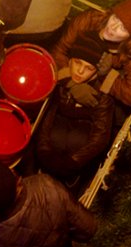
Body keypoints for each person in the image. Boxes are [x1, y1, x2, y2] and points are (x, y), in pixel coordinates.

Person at [35, 34, 115, 182]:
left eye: (89, 68)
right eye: (77, 63)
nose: (80, 71)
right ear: (70, 60)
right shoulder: (60, 80)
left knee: (76, 140)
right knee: (56, 137)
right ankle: (44, 170)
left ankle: (71, 178)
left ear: (96, 71)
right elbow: (46, 117)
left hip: (82, 134)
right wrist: (44, 151)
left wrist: (73, 162)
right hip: (59, 125)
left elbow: (101, 135)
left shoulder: (103, 92)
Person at [51, 0, 131, 108]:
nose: (112, 27)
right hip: (74, 63)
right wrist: (70, 82)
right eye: (116, 18)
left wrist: (106, 74)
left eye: (123, 28)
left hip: (101, 82)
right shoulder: (88, 21)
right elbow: (58, 51)